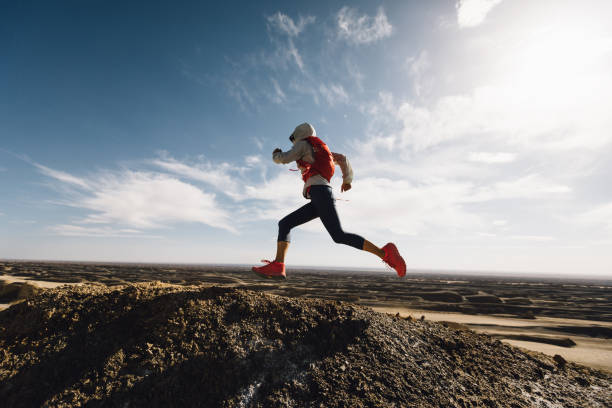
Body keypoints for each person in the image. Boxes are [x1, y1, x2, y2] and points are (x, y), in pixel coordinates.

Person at [252, 122, 406, 280]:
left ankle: (385, 253)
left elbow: (284, 159)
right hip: (320, 196)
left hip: (320, 194)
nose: (293, 142)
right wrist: (347, 179)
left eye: (294, 139)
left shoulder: (303, 144)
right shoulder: (322, 151)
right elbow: (343, 159)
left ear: (298, 135)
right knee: (285, 224)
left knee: (338, 235)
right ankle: (279, 266)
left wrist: (276, 154)